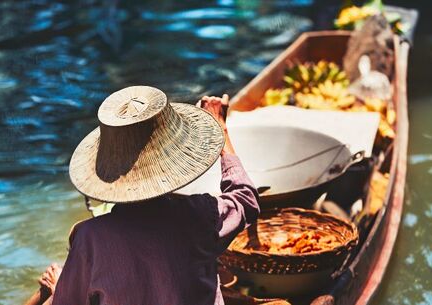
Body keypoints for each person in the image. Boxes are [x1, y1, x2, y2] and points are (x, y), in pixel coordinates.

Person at [27, 86, 259, 305]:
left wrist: (58, 288)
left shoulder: (91, 238)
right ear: (170, 166)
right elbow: (246, 198)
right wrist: (221, 128)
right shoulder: (199, 214)